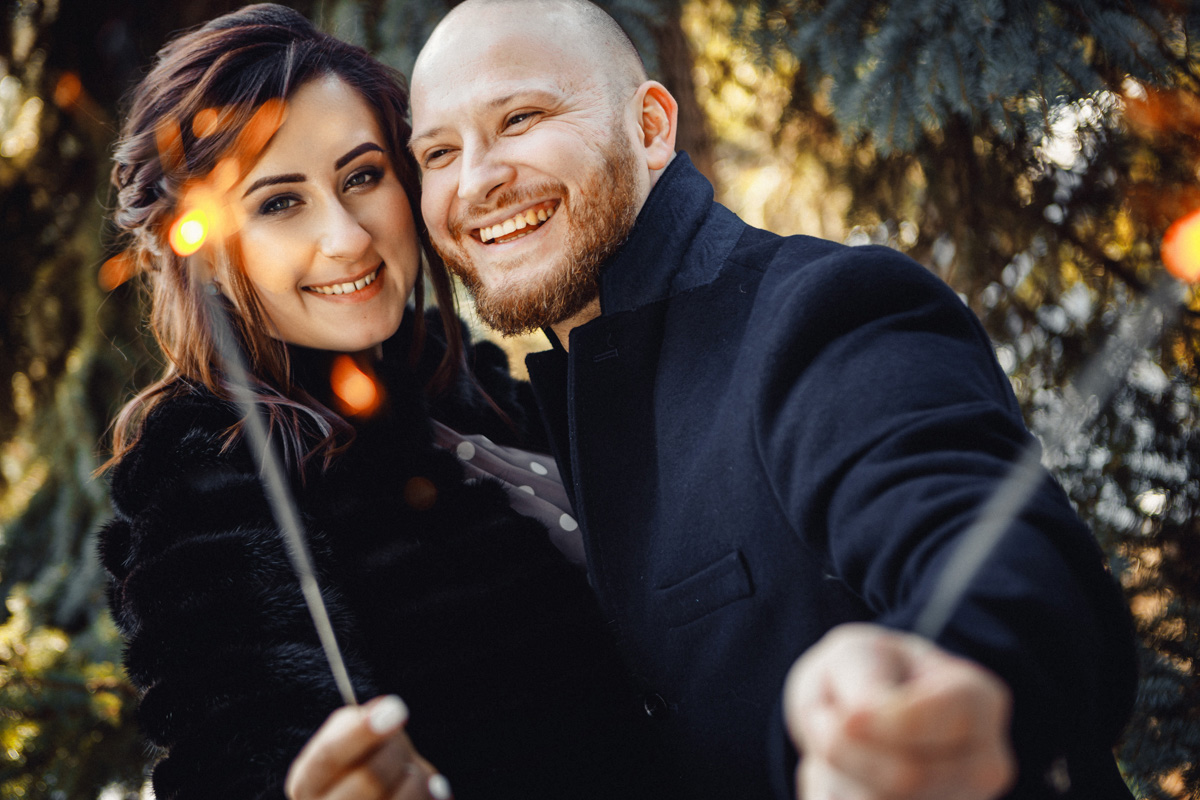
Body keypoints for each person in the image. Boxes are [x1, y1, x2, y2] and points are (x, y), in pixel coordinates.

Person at [296, 1, 1138, 798]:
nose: (475, 181)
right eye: (438, 152)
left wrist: (966, 679)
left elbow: (982, 542)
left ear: (652, 127)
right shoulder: (542, 420)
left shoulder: (817, 313)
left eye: (520, 119)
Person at [96, 5, 668, 799]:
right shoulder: (210, 475)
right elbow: (250, 752)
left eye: (363, 176)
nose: (348, 238)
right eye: (278, 203)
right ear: (209, 258)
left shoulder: (470, 389)